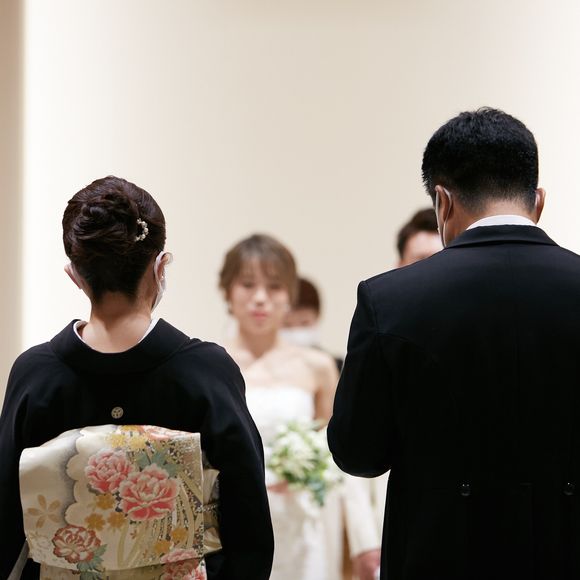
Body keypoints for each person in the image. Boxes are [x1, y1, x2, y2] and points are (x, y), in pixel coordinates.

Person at [328, 107, 580, 579]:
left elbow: (357, 453)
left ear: (442, 202)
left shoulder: (389, 299)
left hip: (439, 557)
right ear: (538, 200)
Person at [0, 176, 274, 579]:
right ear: (160, 267)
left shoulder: (35, 374)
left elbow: (6, 517)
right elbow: (248, 519)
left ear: (75, 275)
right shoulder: (206, 371)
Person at [218, 234, 340, 580]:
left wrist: (306, 469)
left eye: (274, 286)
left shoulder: (317, 366)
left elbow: (332, 448)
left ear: (289, 294)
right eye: (247, 284)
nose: (261, 298)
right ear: (228, 292)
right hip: (234, 520)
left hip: (299, 522)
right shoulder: (211, 363)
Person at [342, 207, 442, 580]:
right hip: (394, 519)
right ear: (400, 264)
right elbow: (354, 442)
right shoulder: (381, 329)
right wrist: (365, 541)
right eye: (421, 261)